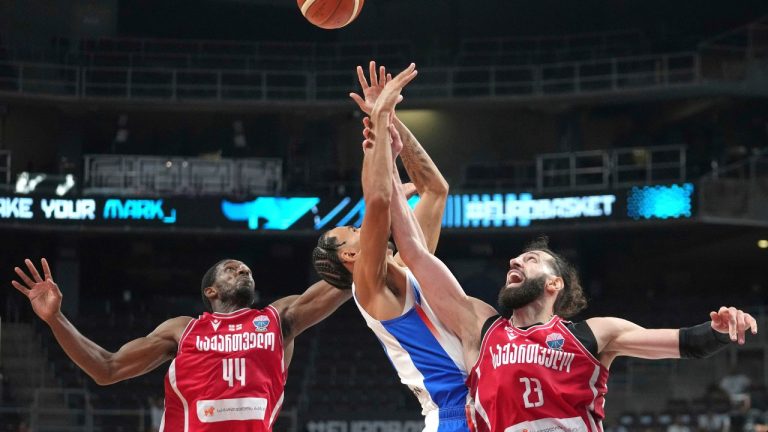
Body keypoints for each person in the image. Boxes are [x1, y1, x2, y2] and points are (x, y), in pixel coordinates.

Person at [386, 163, 759, 432]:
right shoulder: (480, 327)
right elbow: (415, 253)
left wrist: (722, 330)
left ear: (555, 284)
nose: (515, 260)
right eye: (516, 258)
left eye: (530, 260)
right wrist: (386, 157)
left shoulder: (594, 335)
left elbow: (687, 344)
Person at [11, 258, 350, 432]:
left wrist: (379, 240)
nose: (242, 270)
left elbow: (351, 279)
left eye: (246, 269)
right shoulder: (183, 331)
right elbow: (107, 368)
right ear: (210, 292)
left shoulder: (277, 319)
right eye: (231, 269)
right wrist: (56, 319)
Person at [311, 62, 469, 432]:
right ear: (349, 256)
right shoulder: (368, 288)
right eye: (352, 229)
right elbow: (379, 200)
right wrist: (378, 121)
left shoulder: (410, 266)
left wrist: (392, 120)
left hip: (487, 403)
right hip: (453, 413)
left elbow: (435, 189)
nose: (361, 227)